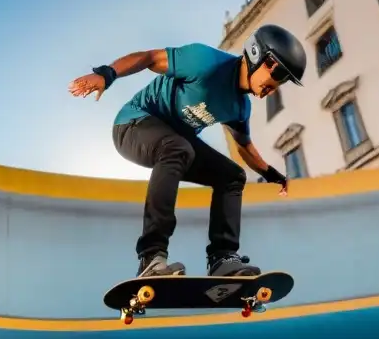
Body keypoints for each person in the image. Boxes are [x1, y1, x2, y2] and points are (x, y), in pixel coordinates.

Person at [68, 24, 307, 279]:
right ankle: (151, 257)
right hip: (133, 125)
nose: (277, 85)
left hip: (175, 143)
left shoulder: (239, 108)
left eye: (284, 81)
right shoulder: (204, 62)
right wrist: (107, 74)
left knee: (232, 176)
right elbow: (150, 58)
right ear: (259, 56)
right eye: (279, 74)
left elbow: (245, 147)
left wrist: (273, 175)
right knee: (178, 147)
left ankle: (223, 258)